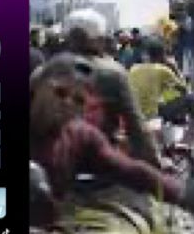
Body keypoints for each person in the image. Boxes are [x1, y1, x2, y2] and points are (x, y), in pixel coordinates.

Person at [29, 54, 194, 227]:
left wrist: (183, 195)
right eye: (60, 92)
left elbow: (128, 170)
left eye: (78, 100)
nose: (67, 103)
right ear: (38, 86)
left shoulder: (79, 136)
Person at [62, 9, 160, 167]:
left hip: (56, 169)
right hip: (102, 168)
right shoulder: (113, 72)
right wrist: (156, 164)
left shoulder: (44, 73)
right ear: (98, 40)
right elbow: (137, 127)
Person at [128, 37, 194, 146]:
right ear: (162, 55)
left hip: (136, 113)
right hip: (152, 114)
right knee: (190, 100)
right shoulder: (162, 69)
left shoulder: (133, 69)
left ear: (145, 55)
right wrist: (174, 68)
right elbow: (184, 90)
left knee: (168, 102)